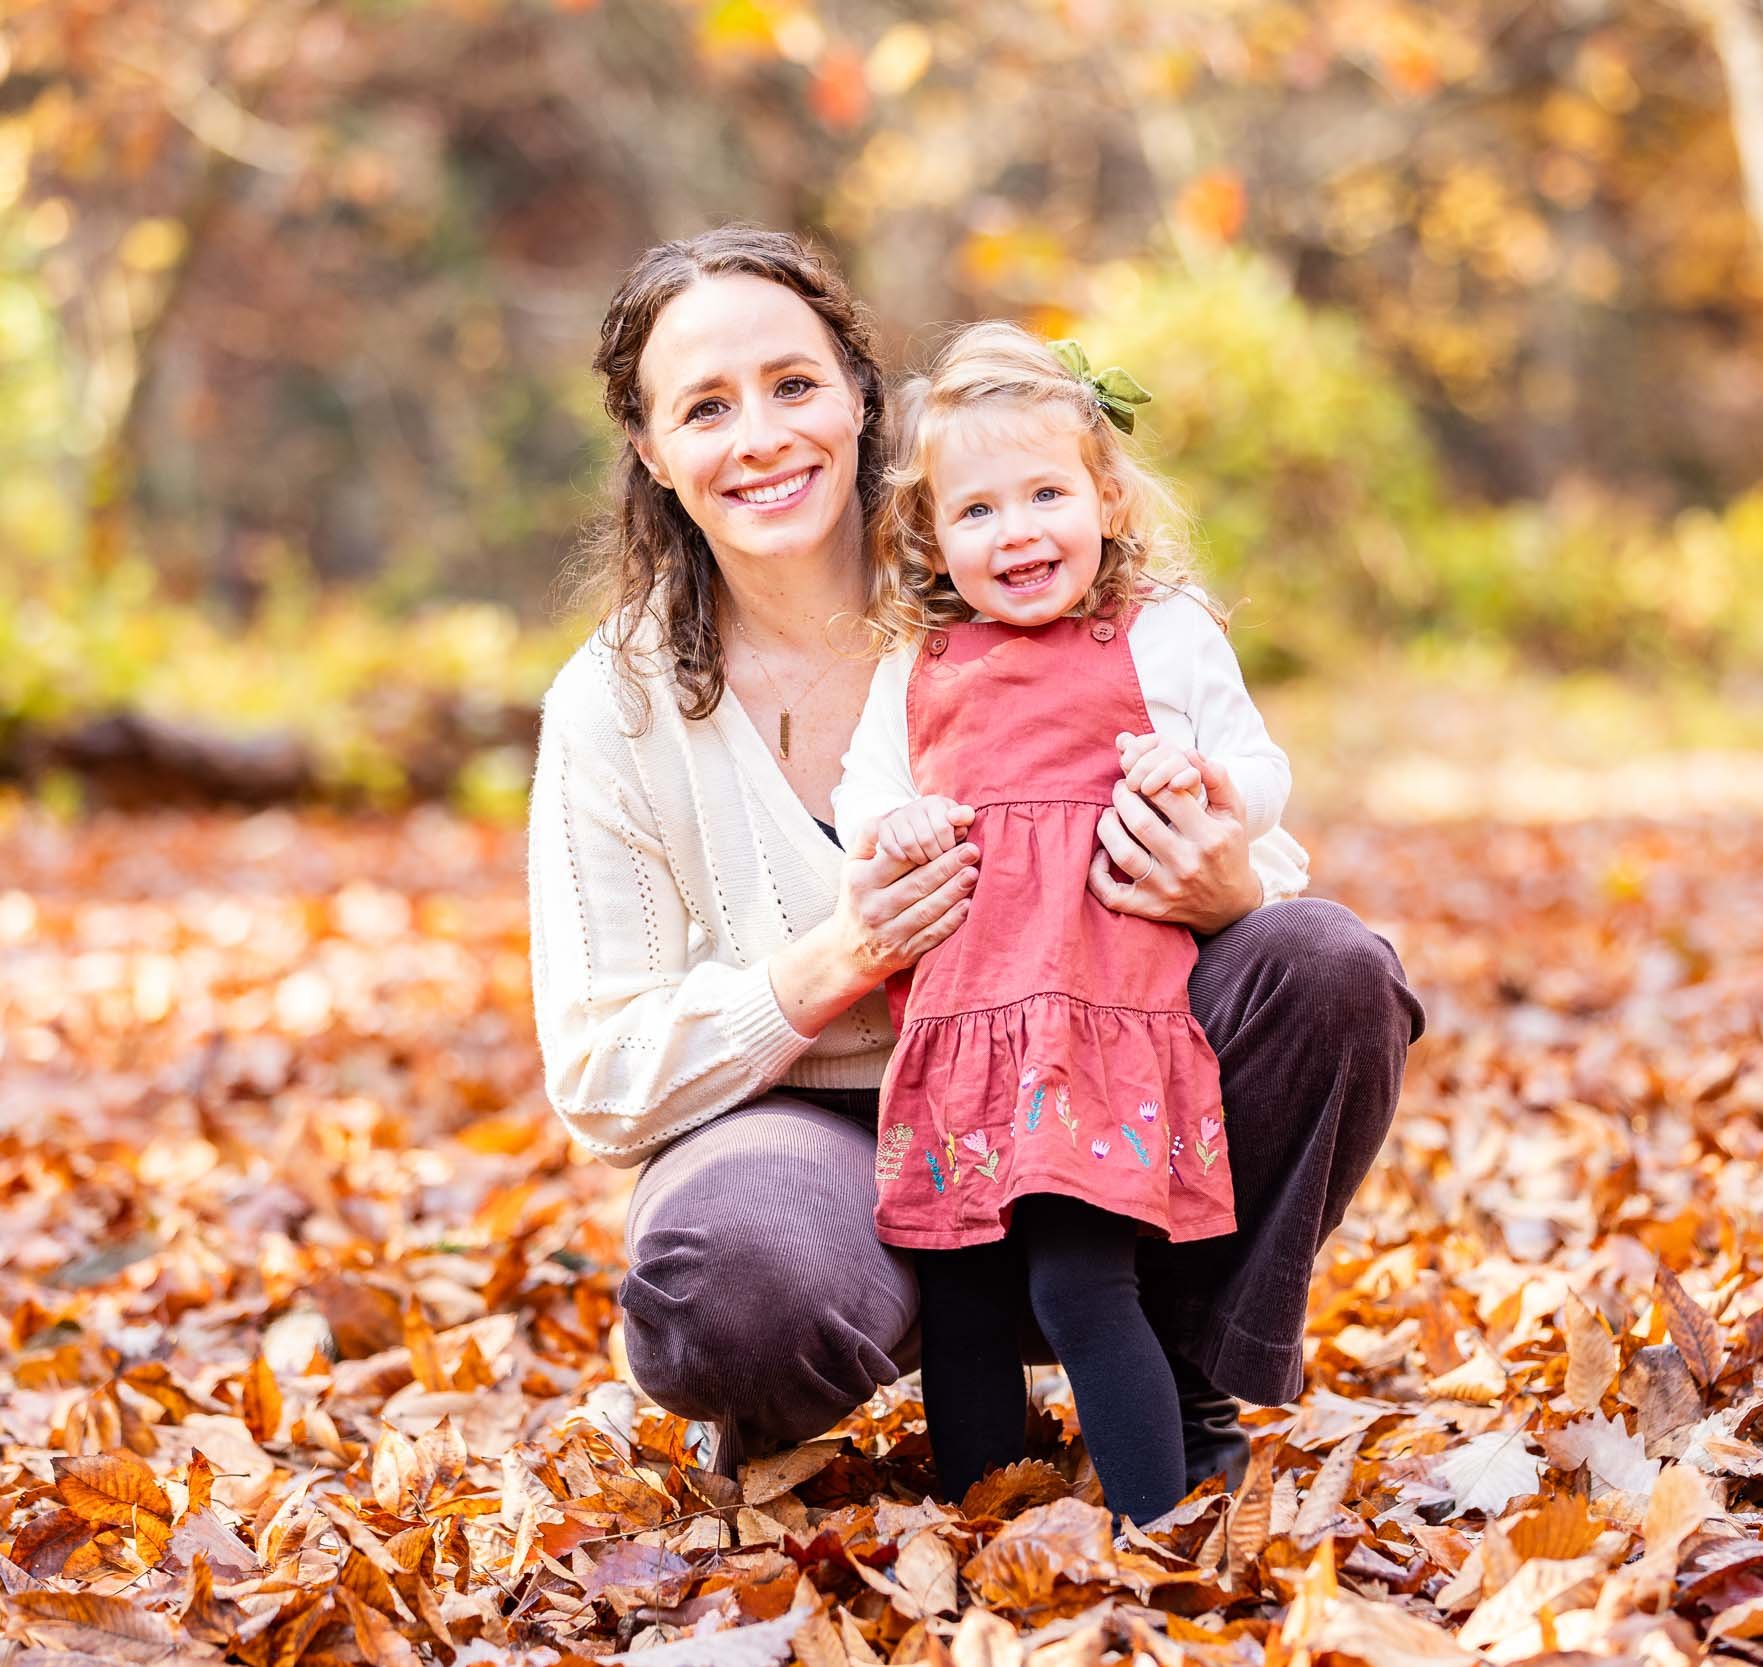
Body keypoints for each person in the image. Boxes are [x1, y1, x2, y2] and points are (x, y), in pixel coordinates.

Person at [526, 226, 1423, 1499]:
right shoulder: (613, 708)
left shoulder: (1027, 580)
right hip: (825, 1135)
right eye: (706, 408)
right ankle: (848, 1355)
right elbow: (598, 1075)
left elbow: (1251, 831)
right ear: (653, 452)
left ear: (856, 396)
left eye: (793, 385)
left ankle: (1179, 1351)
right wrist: (839, 957)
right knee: (725, 1283)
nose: (763, 435)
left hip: (1094, 1070)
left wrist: (1226, 883)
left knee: (1328, 965)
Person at [829, 322, 1298, 1522]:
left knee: (1084, 1272)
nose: (1018, 530)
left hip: (1102, 1014)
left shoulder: (1161, 631)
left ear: (1104, 495)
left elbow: (1261, 765)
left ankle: (1158, 1523)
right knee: (966, 1287)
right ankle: (994, 1531)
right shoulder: (920, 663)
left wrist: (1195, 775)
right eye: (976, 509)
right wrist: (900, 824)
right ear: (931, 534)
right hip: (962, 1017)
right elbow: (863, 790)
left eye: (1046, 493)